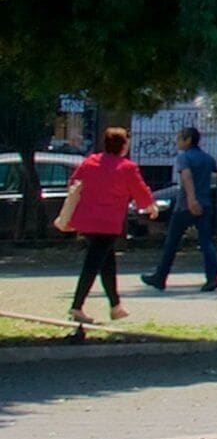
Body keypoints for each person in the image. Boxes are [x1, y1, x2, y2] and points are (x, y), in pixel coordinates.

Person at [59, 125, 156, 328]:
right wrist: (150, 206)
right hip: (108, 223)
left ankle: (115, 306)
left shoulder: (90, 162)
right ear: (124, 145)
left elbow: (73, 183)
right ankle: (77, 306)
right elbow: (140, 190)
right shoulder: (127, 167)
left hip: (86, 221)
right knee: (93, 264)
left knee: (107, 263)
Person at [147, 125, 217, 293]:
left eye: (180, 138)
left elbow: (187, 177)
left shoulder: (184, 157)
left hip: (185, 206)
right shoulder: (207, 158)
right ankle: (212, 278)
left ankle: (160, 277)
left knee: (172, 243)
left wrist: (191, 199)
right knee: (206, 243)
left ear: (188, 140)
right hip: (205, 205)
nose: (177, 142)